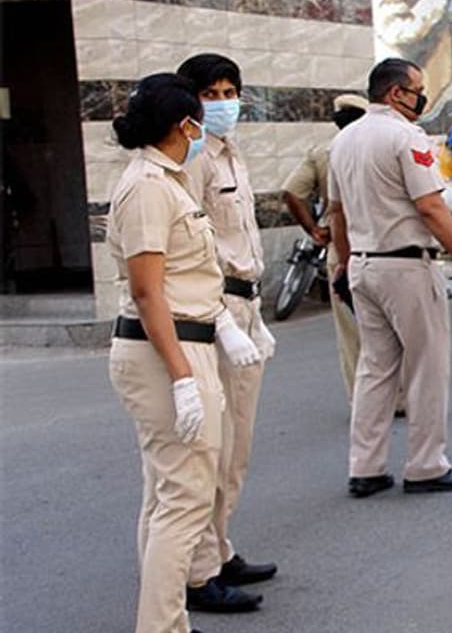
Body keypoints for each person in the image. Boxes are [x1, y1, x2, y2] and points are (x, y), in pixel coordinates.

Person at [105, 73, 260, 633]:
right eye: (200, 114)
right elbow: (148, 292)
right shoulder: (149, 185)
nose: (204, 126)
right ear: (183, 125)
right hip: (166, 352)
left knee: (169, 496)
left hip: (185, 342)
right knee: (185, 502)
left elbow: (183, 279)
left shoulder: (164, 181)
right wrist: (182, 377)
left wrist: (228, 327)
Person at [329, 58, 452, 499]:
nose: (423, 96)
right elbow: (432, 207)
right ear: (396, 93)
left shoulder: (345, 141)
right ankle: (426, 464)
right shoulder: (405, 136)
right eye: (417, 88)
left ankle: (366, 467)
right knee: (427, 366)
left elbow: (337, 213)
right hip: (406, 266)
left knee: (375, 368)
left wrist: (344, 264)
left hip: (363, 264)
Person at [176, 54, 275, 614]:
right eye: (210, 94)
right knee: (212, 449)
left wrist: (255, 317)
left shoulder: (230, 151)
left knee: (236, 444)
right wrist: (222, 320)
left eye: (230, 91)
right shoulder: (190, 162)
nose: (223, 102)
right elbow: (190, 253)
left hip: (243, 306)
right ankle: (197, 570)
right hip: (214, 313)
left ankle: (219, 546)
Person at [282, 94, 409, 419]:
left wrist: (313, 229)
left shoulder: (324, 151)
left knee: (353, 333)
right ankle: (401, 397)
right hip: (384, 246)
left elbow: (291, 191)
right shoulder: (386, 143)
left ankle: (363, 402)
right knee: (395, 326)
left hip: (341, 250)